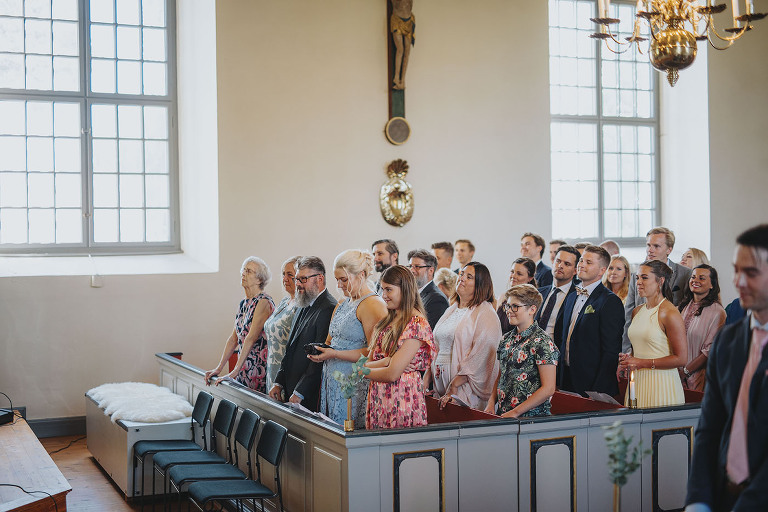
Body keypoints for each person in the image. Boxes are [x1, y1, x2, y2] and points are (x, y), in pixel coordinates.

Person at [686, 224, 768, 512]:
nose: (739, 281)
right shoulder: (729, 339)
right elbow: (710, 426)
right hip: (724, 495)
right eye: (736, 270)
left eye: (751, 273)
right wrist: (698, 499)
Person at [308, 250, 387, 427]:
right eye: (337, 279)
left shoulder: (372, 304)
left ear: (361, 275)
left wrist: (335, 354)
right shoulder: (342, 303)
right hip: (333, 378)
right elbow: (330, 341)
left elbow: (374, 352)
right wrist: (321, 351)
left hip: (354, 380)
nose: (339, 285)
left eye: (344, 279)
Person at [364, 265, 435, 429]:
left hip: (401, 396)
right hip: (379, 395)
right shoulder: (386, 320)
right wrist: (387, 361)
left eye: (389, 290)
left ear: (405, 289)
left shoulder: (416, 323)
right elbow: (367, 362)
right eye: (382, 289)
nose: (384, 295)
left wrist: (363, 372)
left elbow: (392, 374)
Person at [426, 262, 501, 410]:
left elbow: (482, 355)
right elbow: (436, 346)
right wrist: (426, 378)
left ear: (480, 284)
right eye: (461, 274)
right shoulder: (451, 310)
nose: (461, 278)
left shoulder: (485, 313)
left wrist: (454, 384)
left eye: (469, 277)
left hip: (464, 390)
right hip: (440, 387)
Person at [268, 256, 337, 411]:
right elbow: (290, 348)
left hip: (308, 394)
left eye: (303, 279)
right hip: (291, 387)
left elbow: (318, 358)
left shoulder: (328, 308)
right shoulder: (302, 302)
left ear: (319, 279)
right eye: (297, 279)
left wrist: (300, 391)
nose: (298, 284)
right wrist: (278, 382)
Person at [618, 260, 686, 407]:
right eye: (637, 278)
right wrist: (628, 359)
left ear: (660, 281)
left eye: (644, 277)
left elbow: (681, 359)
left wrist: (641, 362)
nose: (638, 282)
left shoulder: (669, 313)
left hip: (662, 383)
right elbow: (641, 348)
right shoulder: (637, 311)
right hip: (638, 382)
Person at [557, 245, 624, 397]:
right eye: (581, 260)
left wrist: (598, 389)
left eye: (588, 262)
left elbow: (611, 350)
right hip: (565, 377)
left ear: (601, 270)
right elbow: (563, 336)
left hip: (591, 382)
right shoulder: (571, 295)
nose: (581, 264)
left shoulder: (609, 301)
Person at [486, 284, 559, 418]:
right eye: (507, 306)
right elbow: (501, 375)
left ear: (532, 309)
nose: (509, 310)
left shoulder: (542, 341)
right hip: (505, 414)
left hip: (531, 418)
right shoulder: (506, 339)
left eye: (515, 306)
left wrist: (515, 412)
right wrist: (491, 402)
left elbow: (548, 389)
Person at [205, 257, 275, 392]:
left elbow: (251, 338)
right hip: (244, 367)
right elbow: (233, 339)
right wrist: (219, 368)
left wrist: (234, 371)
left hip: (258, 368)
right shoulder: (244, 303)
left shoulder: (263, 302)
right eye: (243, 269)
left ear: (259, 279)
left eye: (249, 271)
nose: (243, 273)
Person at [623, 227, 692, 352]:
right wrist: (627, 350)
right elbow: (628, 315)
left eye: (656, 246)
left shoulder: (685, 274)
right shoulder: (636, 275)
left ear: (669, 250)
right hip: (640, 343)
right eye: (648, 245)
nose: (650, 250)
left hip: (670, 345)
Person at [677, 265, 726, 392]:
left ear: (712, 285)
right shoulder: (683, 307)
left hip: (698, 378)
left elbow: (709, 351)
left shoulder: (717, 312)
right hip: (675, 375)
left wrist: (685, 372)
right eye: (693, 277)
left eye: (702, 278)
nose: (695, 280)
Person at [263, 256, 301, 390]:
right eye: (283, 274)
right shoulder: (284, 302)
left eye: (290, 275)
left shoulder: (301, 306)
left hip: (286, 372)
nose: (285, 278)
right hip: (272, 367)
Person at [535, 245, 580, 347]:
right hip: (532, 349)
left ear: (575, 271)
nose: (560, 266)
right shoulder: (539, 292)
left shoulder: (577, 296)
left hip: (558, 351)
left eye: (567, 264)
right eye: (558, 261)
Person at [407, 249, 449, 329]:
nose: (412, 270)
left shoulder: (437, 299)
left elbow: (428, 331)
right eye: (410, 266)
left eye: (417, 267)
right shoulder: (411, 294)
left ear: (430, 271)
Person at [497, 257, 538, 334]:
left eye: (519, 274)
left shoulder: (532, 302)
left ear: (530, 278)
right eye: (512, 272)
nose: (513, 276)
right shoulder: (502, 297)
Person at [390, 0, 414, 90]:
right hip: (397, 20)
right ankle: (396, 77)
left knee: (407, 52)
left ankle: (403, 79)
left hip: (408, 20)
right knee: (400, 49)